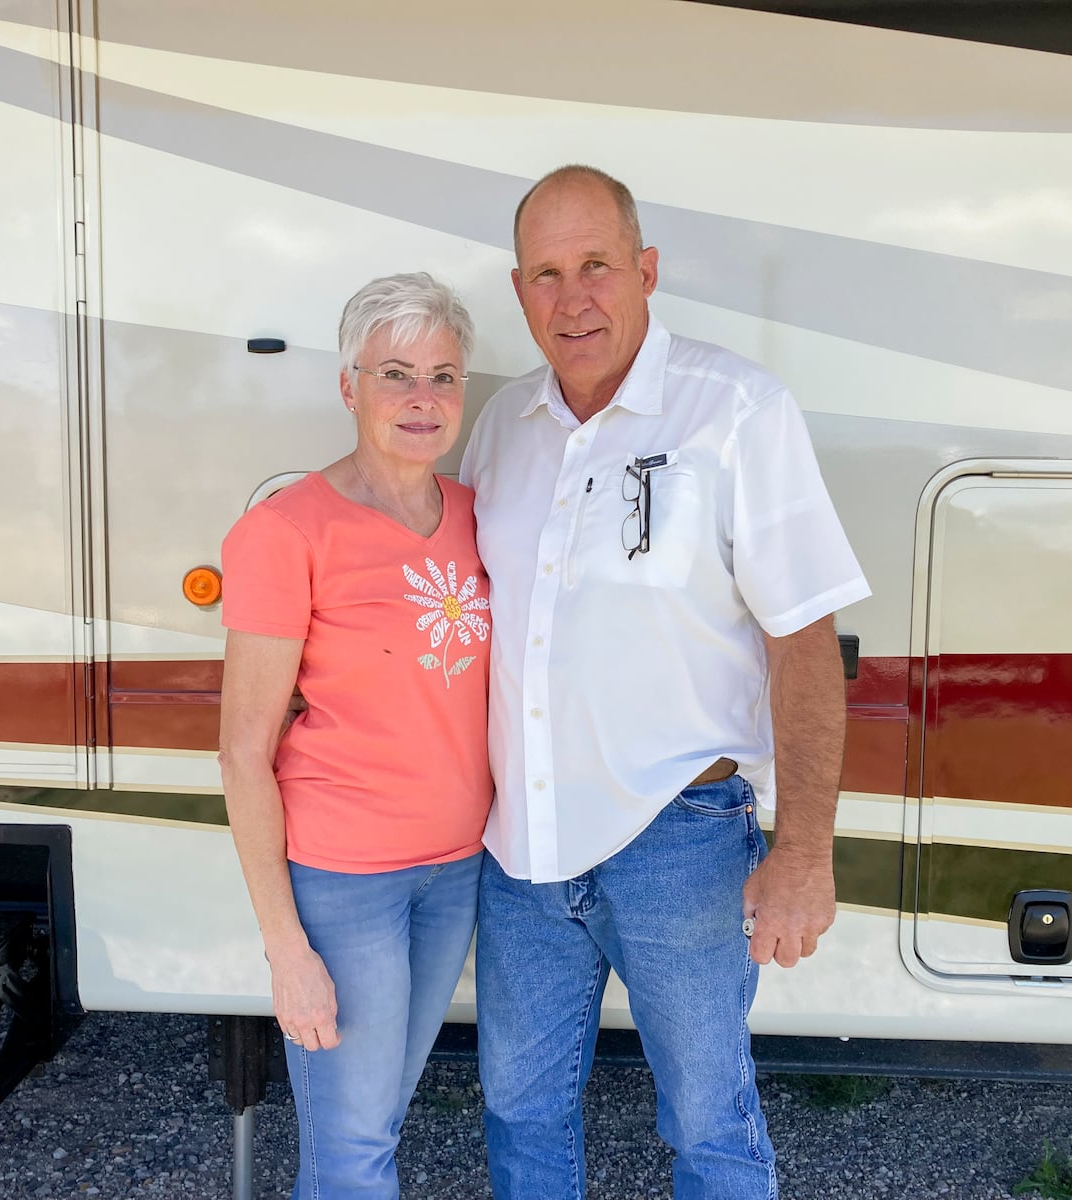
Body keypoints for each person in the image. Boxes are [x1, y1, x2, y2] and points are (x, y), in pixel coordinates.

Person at [460, 165, 871, 1199]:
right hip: (523, 853)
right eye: (547, 274)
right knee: (519, 1111)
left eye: (596, 265)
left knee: (709, 1121)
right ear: (521, 293)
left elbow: (803, 644)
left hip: (680, 837)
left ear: (646, 271)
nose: (573, 297)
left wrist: (804, 852)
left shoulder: (733, 411)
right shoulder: (502, 425)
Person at [218, 272, 491, 1199]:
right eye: (396, 375)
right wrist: (286, 952)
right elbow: (243, 753)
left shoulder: (473, 515)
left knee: (375, 1123)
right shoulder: (286, 532)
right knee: (355, 1153)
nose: (424, 400)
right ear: (349, 387)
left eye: (445, 377)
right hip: (347, 884)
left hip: (456, 871)